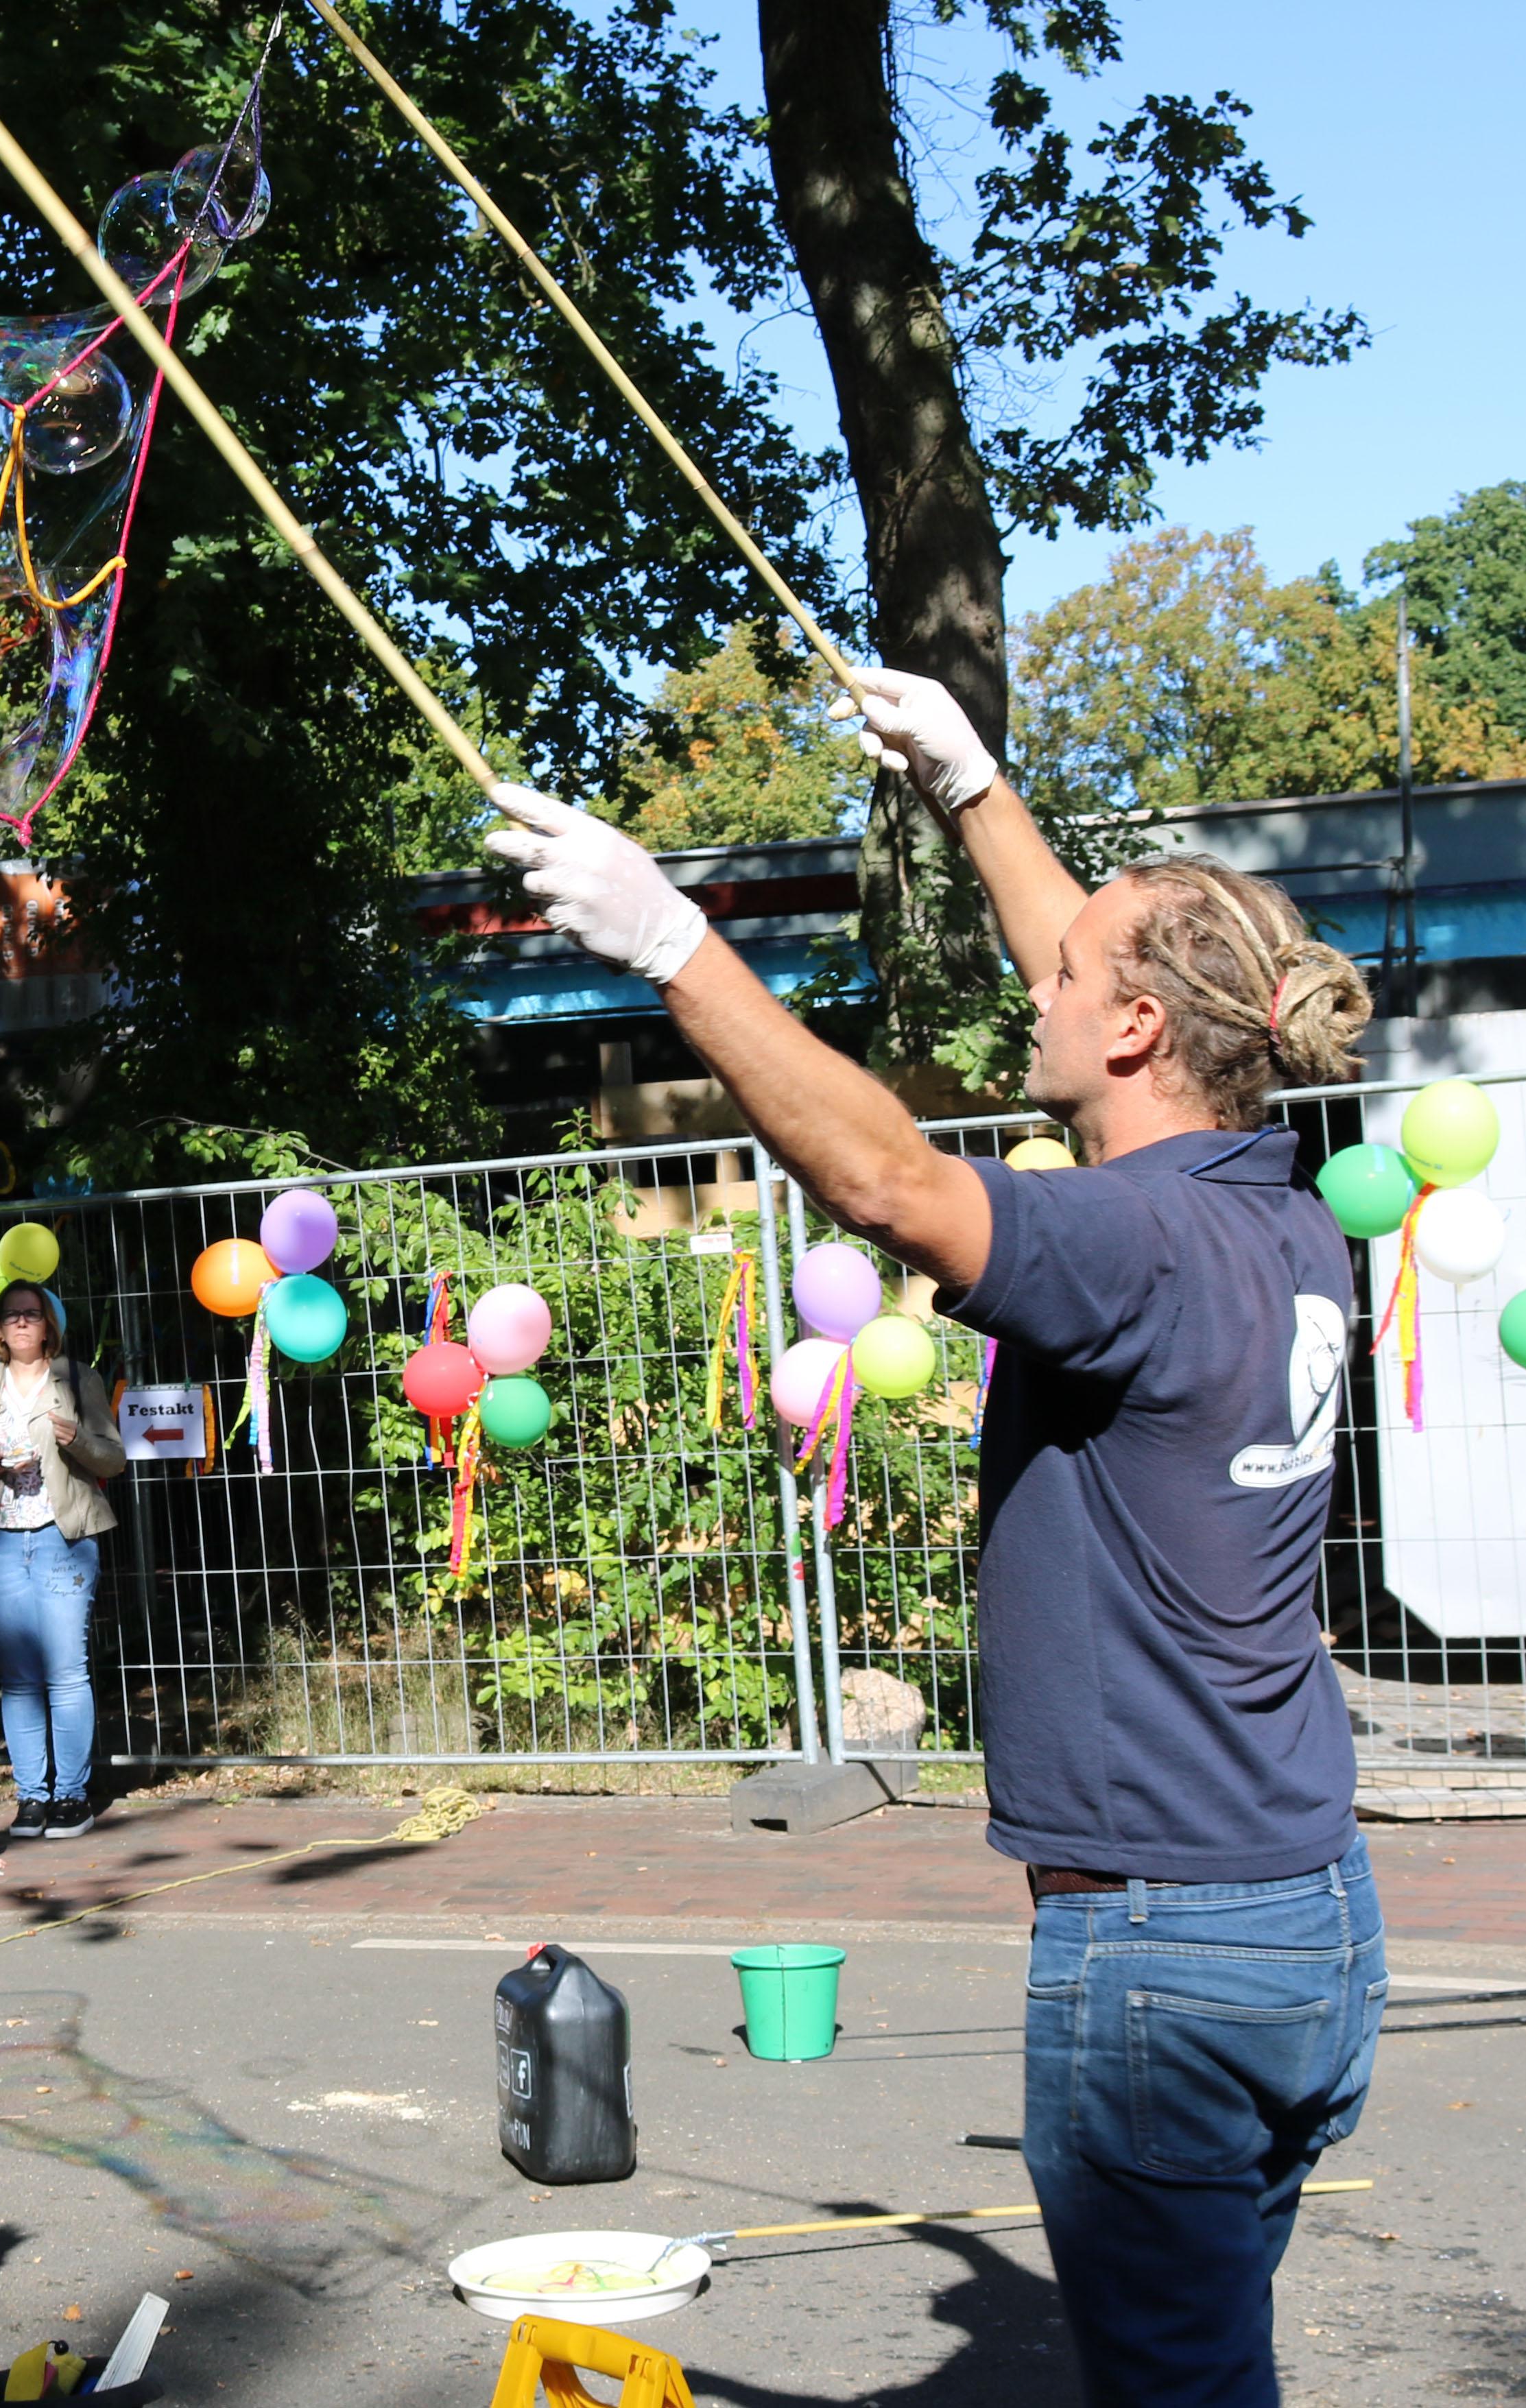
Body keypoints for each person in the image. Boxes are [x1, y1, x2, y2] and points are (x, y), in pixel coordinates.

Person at [485, 667, 1381, 2408]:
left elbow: (888, 1181)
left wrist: (674, 941)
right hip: (1301, 1914)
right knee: (1204, 2357)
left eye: (1058, 979)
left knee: (1181, 2393)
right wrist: (973, 788)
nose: (1028, 983)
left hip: (1162, 1947)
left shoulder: (1123, 1243)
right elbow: (1124, 975)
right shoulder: (1271, 1202)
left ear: (1134, 1031)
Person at [0, 1280, 126, 1842]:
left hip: (62, 1535)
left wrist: (76, 1442)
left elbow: (112, 1457)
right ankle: (32, 1795)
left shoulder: (78, 1379)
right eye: (12, 1316)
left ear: (49, 1325)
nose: (22, 1323)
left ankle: (71, 1794)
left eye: (32, 1314)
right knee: (18, 1677)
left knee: (66, 1668)